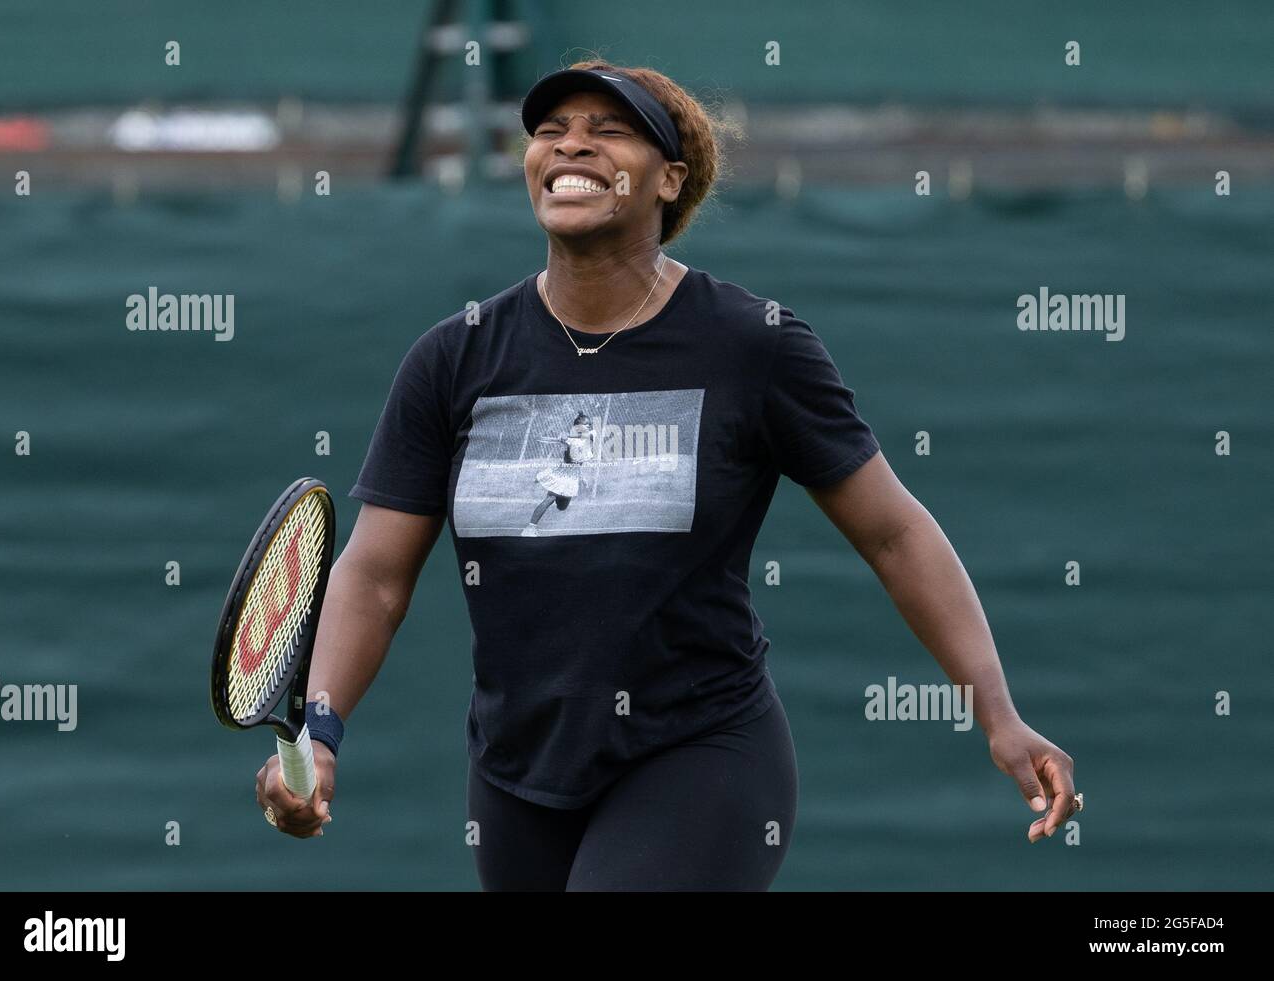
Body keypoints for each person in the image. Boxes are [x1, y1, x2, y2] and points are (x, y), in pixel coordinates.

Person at [255, 61, 1079, 890]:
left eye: (608, 130)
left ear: (669, 180)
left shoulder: (754, 345)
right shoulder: (453, 357)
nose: (570, 143)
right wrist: (320, 730)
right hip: (515, 773)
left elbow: (896, 534)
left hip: (702, 753)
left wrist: (997, 714)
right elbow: (375, 575)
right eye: (550, 130)